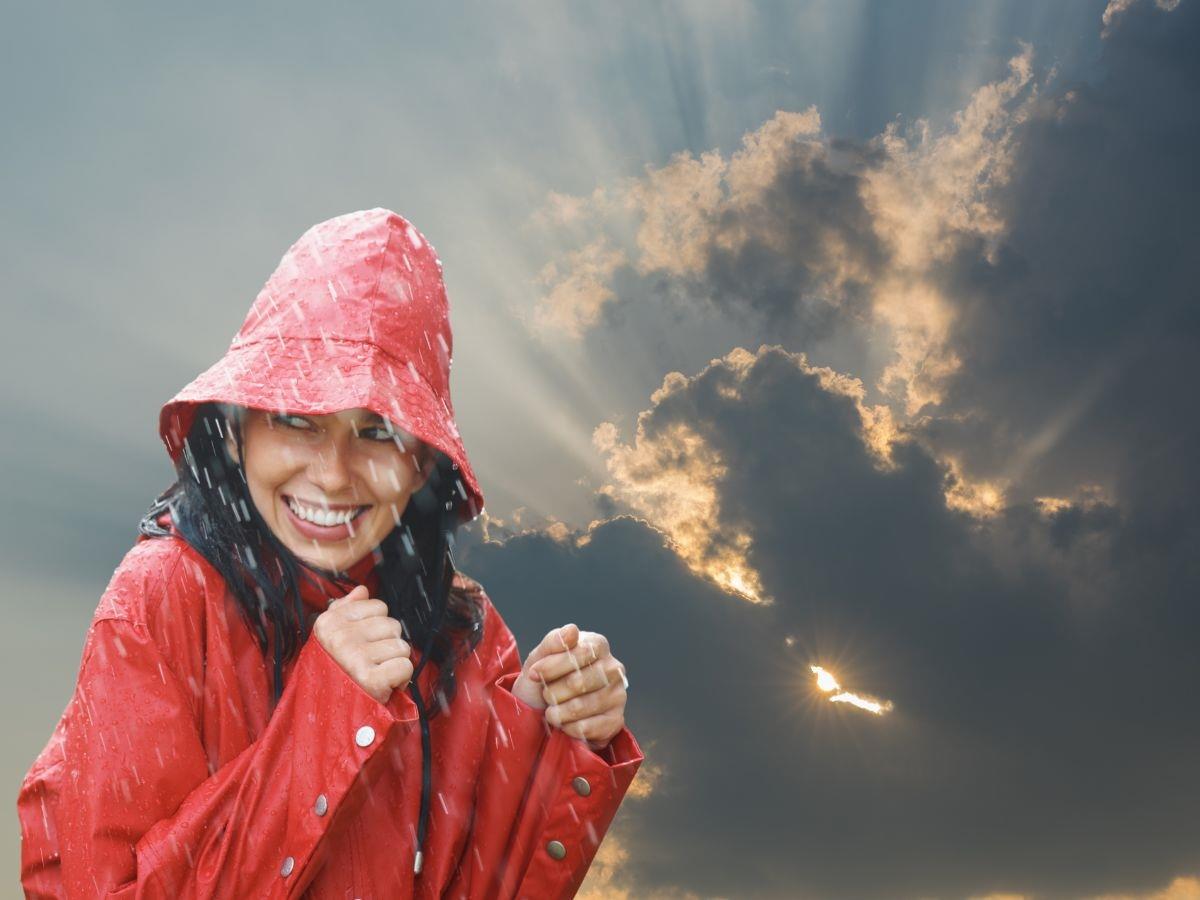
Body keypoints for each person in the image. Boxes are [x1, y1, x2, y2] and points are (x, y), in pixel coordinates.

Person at [17, 207, 644, 898]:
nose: (335, 473)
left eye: (376, 432)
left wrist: (544, 735)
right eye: (296, 420)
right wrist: (327, 715)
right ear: (236, 432)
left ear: (422, 467)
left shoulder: (460, 627)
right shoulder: (159, 599)